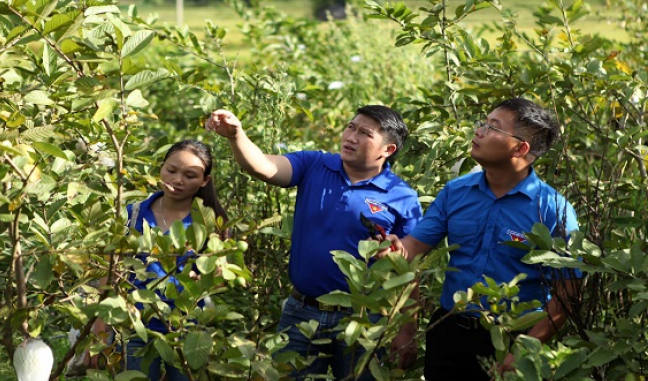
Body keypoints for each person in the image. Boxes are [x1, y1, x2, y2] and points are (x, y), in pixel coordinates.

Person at [205, 105, 423, 379]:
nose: (351, 136)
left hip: (364, 321)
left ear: (388, 150)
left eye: (365, 133)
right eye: (350, 127)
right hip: (301, 313)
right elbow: (263, 167)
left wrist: (406, 330)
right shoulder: (314, 164)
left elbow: (410, 267)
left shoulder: (402, 196)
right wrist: (236, 135)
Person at [387, 97, 580, 380]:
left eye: (493, 127)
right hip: (449, 331)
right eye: (483, 123)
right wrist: (392, 249)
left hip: (513, 338)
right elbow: (413, 249)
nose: (478, 131)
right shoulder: (456, 192)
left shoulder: (553, 209)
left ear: (520, 147)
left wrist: (528, 348)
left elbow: (567, 294)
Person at [94, 140, 228, 380]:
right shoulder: (132, 213)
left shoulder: (210, 222)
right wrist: (101, 331)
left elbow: (220, 278)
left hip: (188, 328)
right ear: (161, 167)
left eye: (189, 175)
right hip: (136, 329)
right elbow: (110, 274)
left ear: (204, 181)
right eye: (171, 170)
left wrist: (204, 276)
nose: (178, 180)